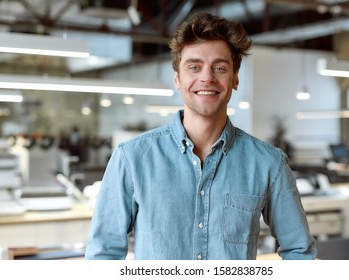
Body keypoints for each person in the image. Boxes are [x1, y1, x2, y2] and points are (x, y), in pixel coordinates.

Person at [85, 12, 316, 260]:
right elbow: (103, 256)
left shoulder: (269, 163)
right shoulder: (131, 159)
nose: (207, 77)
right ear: (177, 78)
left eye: (219, 67)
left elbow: (299, 253)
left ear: (235, 78)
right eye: (194, 67)